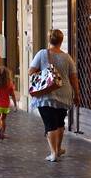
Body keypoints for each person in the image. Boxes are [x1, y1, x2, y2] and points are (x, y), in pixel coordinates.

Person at [29, 29, 79, 162]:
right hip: (64, 94)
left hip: (47, 94)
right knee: (59, 123)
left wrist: (43, 70)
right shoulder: (67, 57)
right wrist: (77, 94)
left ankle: (53, 153)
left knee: (50, 124)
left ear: (49, 39)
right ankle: (58, 149)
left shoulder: (42, 54)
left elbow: (31, 71)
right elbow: (73, 78)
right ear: (61, 41)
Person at [0, 65, 17, 141]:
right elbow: (13, 95)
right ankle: (2, 134)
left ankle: (0, 128)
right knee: (3, 119)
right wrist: (15, 106)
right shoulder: (9, 84)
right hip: (6, 105)